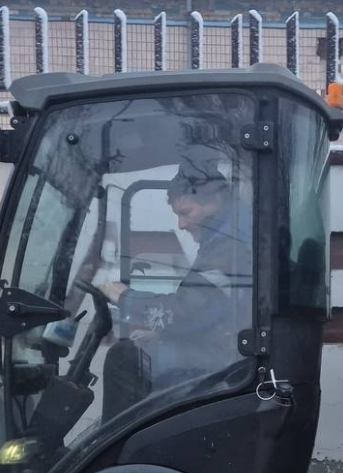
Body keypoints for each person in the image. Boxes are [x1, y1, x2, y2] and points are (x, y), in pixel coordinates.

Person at [96, 156, 253, 416]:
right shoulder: (226, 238)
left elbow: (183, 313)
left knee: (124, 359)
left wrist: (125, 297)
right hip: (226, 350)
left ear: (214, 202)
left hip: (227, 361)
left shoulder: (232, 247)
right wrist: (163, 334)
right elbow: (209, 312)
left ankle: (116, 452)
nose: (181, 225)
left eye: (185, 213)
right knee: (137, 352)